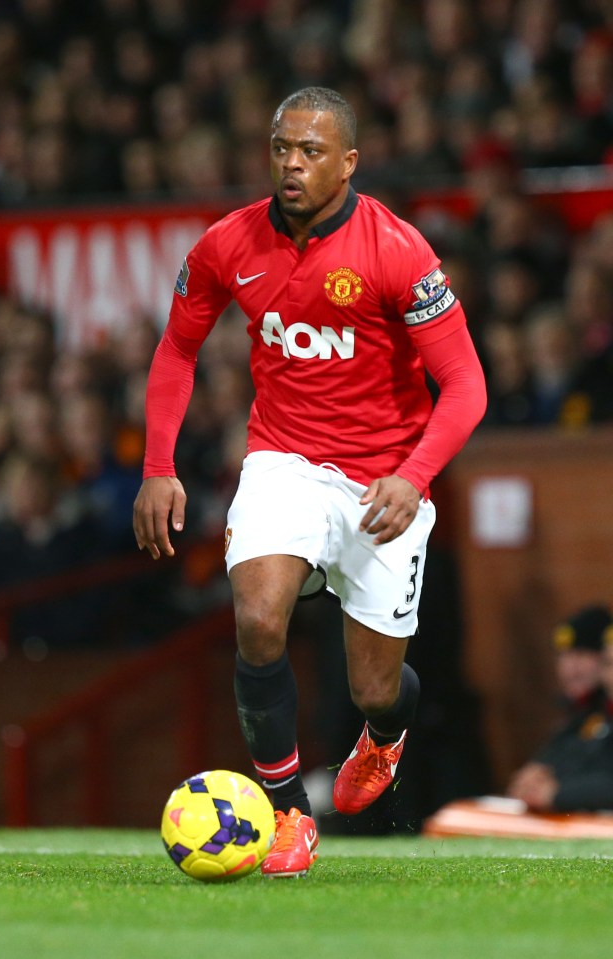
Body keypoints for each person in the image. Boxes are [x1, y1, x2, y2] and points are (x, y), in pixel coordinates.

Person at [133, 86, 487, 877]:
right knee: (259, 618)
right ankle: (288, 812)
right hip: (283, 461)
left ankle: (385, 738)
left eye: (311, 151)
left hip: (383, 485)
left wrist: (414, 475)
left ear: (349, 162)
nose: (291, 163)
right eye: (281, 147)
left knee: (373, 686)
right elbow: (177, 350)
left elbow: (466, 386)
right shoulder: (229, 243)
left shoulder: (398, 251)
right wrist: (160, 466)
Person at [506, 604, 613, 812]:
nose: (569, 668)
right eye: (608, 664)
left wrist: (558, 793)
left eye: (581, 655)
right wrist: (539, 773)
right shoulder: (588, 715)